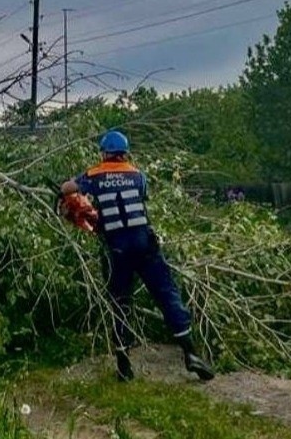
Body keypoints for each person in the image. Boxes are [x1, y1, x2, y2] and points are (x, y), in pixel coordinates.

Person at [59, 130, 215, 382]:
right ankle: (191, 353)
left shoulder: (95, 174)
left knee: (120, 302)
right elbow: (139, 198)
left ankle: (124, 365)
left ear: (104, 153)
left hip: (117, 249)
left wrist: (70, 190)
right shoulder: (137, 174)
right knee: (167, 294)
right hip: (145, 245)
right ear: (125, 153)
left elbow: (68, 188)